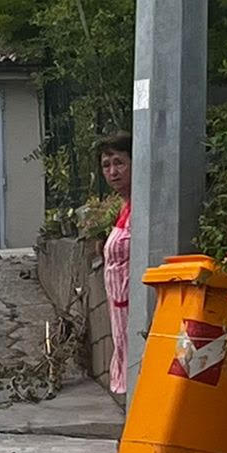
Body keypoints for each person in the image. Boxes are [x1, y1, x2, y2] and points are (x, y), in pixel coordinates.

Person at [98, 132, 133, 398]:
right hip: (119, 310)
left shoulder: (143, 207)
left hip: (133, 308)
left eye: (119, 162)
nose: (113, 172)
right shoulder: (124, 206)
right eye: (106, 165)